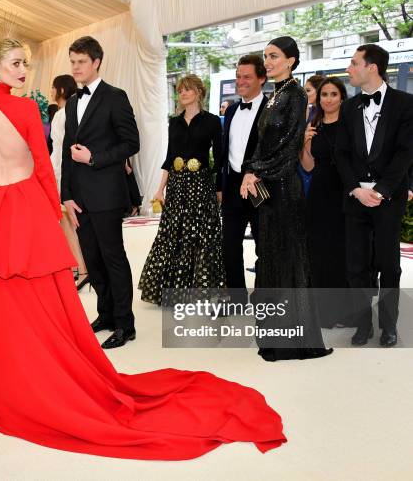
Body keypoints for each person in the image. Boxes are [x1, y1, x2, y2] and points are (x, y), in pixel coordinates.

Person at [0, 30, 285, 460]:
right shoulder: (23, 108)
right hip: (27, 211)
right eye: (17, 64)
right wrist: (59, 220)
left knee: (13, 305)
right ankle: (50, 382)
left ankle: (17, 389)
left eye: (25, 63)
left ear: (95, 63)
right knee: (45, 302)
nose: (24, 71)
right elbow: (40, 169)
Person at [240, 36, 333, 362]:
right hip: (269, 188)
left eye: (275, 56)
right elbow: (262, 142)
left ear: (292, 60)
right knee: (270, 257)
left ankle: (294, 341)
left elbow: (290, 146)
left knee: (289, 260)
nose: (269, 61)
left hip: (285, 188)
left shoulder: (295, 94)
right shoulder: (274, 94)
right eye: (266, 56)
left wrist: (256, 171)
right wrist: (250, 169)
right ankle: (274, 335)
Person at [61, 36, 139, 349]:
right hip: (78, 197)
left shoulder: (115, 97)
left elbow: (131, 143)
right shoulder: (71, 102)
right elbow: (68, 151)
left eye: (81, 61)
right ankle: (105, 313)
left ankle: (125, 324)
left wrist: (93, 158)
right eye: (72, 62)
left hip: (106, 193)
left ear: (96, 62)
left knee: (113, 257)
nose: (76, 67)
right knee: (92, 260)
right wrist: (66, 194)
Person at [334, 44, 413, 347]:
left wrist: (381, 190)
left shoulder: (405, 104)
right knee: (356, 267)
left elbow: (406, 153)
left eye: (354, 63)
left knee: (389, 265)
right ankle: (362, 324)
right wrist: (355, 189)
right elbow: (340, 153)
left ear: (372, 67)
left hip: (387, 199)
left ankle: (389, 326)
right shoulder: (348, 107)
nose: (349, 69)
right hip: (355, 199)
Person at [138, 74, 224, 306]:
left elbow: (220, 158)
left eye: (187, 89)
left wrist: (219, 188)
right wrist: (159, 189)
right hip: (176, 185)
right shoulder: (174, 122)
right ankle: (174, 291)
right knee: (173, 235)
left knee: (199, 235)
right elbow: (169, 158)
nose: (182, 93)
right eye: (180, 90)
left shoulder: (213, 121)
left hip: (200, 184)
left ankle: (200, 291)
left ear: (198, 92)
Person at [300, 77, 354, 328]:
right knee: (319, 252)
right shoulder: (314, 124)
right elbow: (308, 166)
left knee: (342, 252)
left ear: (342, 97)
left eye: (333, 94)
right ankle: (323, 312)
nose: (328, 99)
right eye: (324, 95)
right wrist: (305, 143)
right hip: (320, 192)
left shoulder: (351, 124)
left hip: (345, 191)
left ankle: (346, 312)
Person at [216, 55, 268, 307]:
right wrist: (220, 186)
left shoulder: (272, 109)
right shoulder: (233, 108)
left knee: (263, 245)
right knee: (229, 245)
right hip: (233, 185)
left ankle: (261, 296)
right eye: (238, 76)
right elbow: (225, 151)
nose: (241, 81)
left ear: (262, 78)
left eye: (247, 76)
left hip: (260, 185)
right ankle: (236, 298)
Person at [49, 74, 89, 291]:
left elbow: (59, 150)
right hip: (72, 171)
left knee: (67, 222)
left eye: (53, 88)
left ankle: (81, 269)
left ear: (61, 90)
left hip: (60, 171)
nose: (51, 92)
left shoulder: (60, 115)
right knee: (72, 221)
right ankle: (78, 266)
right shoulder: (75, 111)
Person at [298, 74, 325, 197]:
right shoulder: (310, 111)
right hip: (303, 162)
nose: (305, 94)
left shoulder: (323, 114)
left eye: (308, 90)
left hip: (314, 166)